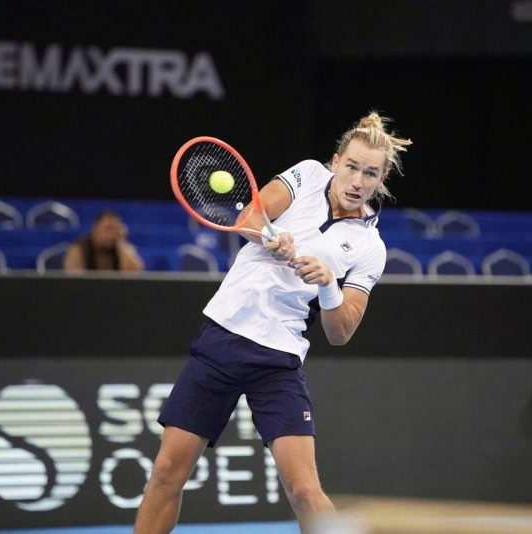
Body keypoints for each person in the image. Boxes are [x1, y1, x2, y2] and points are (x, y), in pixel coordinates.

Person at [134, 112, 411, 533]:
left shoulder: (371, 247)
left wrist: (328, 285)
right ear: (336, 162)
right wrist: (270, 236)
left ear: (382, 177)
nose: (357, 180)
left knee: (304, 490)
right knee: (168, 472)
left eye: (369, 173)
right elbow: (248, 218)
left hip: (278, 359)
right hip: (223, 337)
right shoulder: (306, 175)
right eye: (352, 167)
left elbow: (341, 332)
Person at [63, 210, 144, 272]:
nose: (112, 233)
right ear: (95, 229)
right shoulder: (78, 248)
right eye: (108, 228)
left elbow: (134, 274)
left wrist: (121, 242)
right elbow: (74, 280)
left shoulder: (122, 248)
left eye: (116, 229)